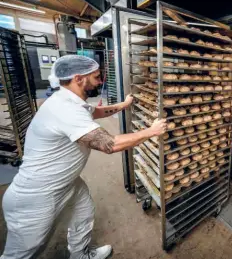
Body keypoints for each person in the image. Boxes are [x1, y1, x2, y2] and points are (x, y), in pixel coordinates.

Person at [0, 55, 167, 259]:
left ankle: (80, 255)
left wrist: (123, 105)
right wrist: (151, 131)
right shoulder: (65, 109)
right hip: (38, 193)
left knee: (83, 213)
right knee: (26, 250)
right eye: (96, 77)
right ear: (79, 79)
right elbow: (110, 144)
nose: (100, 81)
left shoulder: (69, 99)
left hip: (67, 182)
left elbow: (95, 112)